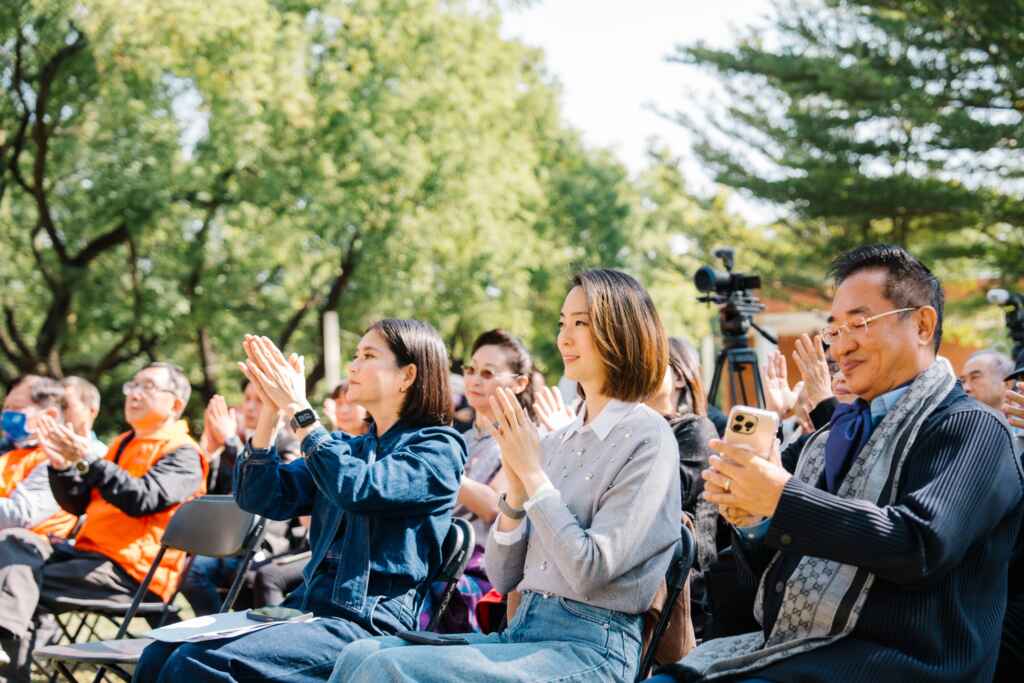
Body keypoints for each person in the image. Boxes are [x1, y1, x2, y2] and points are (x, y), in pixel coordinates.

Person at [654, 244, 1024, 683]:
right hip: (799, 653)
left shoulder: (974, 428)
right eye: (835, 329)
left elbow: (920, 544)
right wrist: (753, 520)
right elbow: (770, 578)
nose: (841, 346)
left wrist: (781, 499)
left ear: (923, 324)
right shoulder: (831, 437)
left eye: (860, 323)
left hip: (905, 666)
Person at [331, 269, 681, 683]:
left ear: (622, 331)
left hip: (592, 649)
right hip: (524, 632)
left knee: (384, 667)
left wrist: (531, 475)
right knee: (361, 653)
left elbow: (591, 570)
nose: (564, 338)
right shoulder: (557, 440)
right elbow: (503, 576)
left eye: (581, 323)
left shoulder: (649, 436)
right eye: (562, 323)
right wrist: (516, 492)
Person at [133, 320, 468, 683]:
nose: (353, 366)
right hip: (307, 612)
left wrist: (298, 407)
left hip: (368, 626)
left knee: (199, 662)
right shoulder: (350, 447)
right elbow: (262, 497)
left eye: (368, 356)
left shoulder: (439, 448)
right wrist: (270, 412)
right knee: (157, 654)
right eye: (355, 355)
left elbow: (358, 488)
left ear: (408, 375)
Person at [0, 362, 207, 679]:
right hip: (88, 558)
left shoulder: (184, 453)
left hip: (132, 574)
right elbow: (77, 503)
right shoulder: (123, 443)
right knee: (15, 541)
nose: (134, 394)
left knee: (15, 580)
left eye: (147, 387)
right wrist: (62, 468)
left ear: (176, 404)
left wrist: (90, 461)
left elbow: (142, 499)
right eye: (132, 385)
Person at [419, 328, 535, 632]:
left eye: (488, 373)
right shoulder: (461, 439)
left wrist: (434, 468)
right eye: (470, 370)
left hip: (479, 572)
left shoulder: (524, 440)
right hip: (436, 557)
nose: (474, 379)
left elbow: (497, 507)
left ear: (520, 383)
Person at [183, 387, 302, 616]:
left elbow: (270, 488)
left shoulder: (287, 444)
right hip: (227, 540)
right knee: (192, 572)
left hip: (266, 544)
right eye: (246, 399)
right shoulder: (237, 442)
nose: (249, 407)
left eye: (259, 400)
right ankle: (212, 633)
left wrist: (229, 442)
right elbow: (214, 493)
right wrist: (210, 450)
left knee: (248, 577)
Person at [60, 376, 108, 459]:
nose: (57, 412)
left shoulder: (104, 455)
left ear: (92, 411)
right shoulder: (41, 451)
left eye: (64, 406)